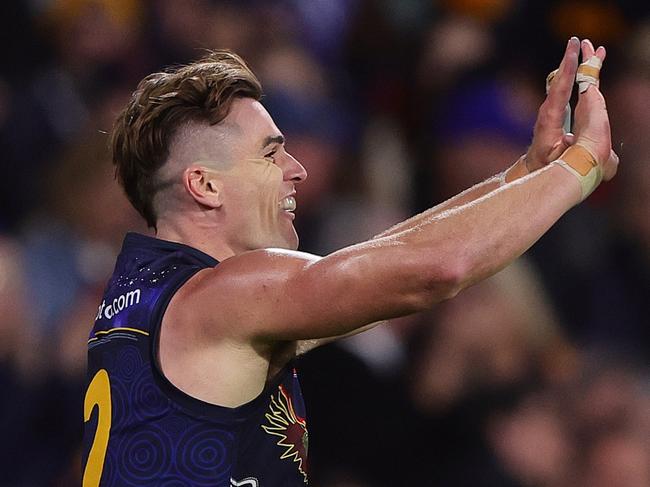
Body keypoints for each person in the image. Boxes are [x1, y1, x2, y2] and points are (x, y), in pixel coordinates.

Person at [82, 37, 618, 486]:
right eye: (271, 154)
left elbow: (378, 263)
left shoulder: (146, 295)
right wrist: (581, 167)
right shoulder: (223, 295)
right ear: (204, 184)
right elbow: (433, 270)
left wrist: (524, 174)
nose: (298, 170)